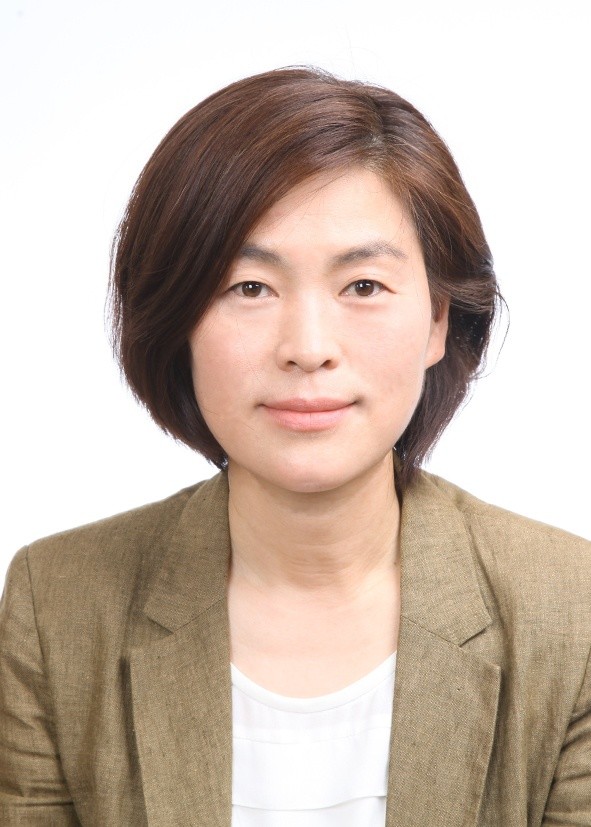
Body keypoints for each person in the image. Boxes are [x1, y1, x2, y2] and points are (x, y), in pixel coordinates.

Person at [0, 67, 589, 827]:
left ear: (439, 320)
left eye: (363, 286)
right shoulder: (58, 604)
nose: (308, 348)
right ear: (178, 322)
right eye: (249, 287)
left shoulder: (570, 609)